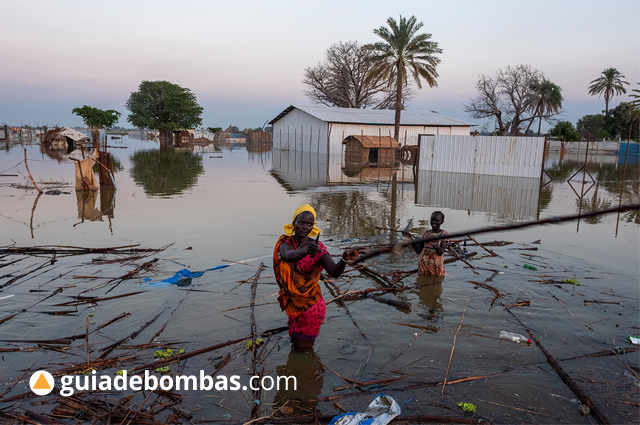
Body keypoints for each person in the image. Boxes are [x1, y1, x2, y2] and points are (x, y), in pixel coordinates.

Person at [274, 204, 358, 352]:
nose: (304, 227)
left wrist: (344, 259)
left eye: (309, 224)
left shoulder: (318, 248)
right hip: (293, 305)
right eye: (301, 222)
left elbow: (334, 272)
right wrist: (305, 251)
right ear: (294, 222)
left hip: (311, 308)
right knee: (297, 346)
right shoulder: (285, 242)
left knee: (302, 353)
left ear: (312, 227)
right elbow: (287, 256)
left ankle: (309, 372)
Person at [404, 211, 449, 276]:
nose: (434, 222)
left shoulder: (444, 234)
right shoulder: (426, 233)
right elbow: (418, 251)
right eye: (432, 220)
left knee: (436, 284)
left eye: (437, 220)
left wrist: (437, 248)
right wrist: (410, 238)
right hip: (423, 265)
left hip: (436, 266)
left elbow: (440, 253)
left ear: (442, 222)